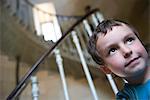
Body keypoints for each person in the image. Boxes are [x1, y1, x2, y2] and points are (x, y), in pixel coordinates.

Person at [87, 19, 150, 99]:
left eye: (129, 40)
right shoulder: (126, 97)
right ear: (106, 69)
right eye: (112, 50)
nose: (127, 51)